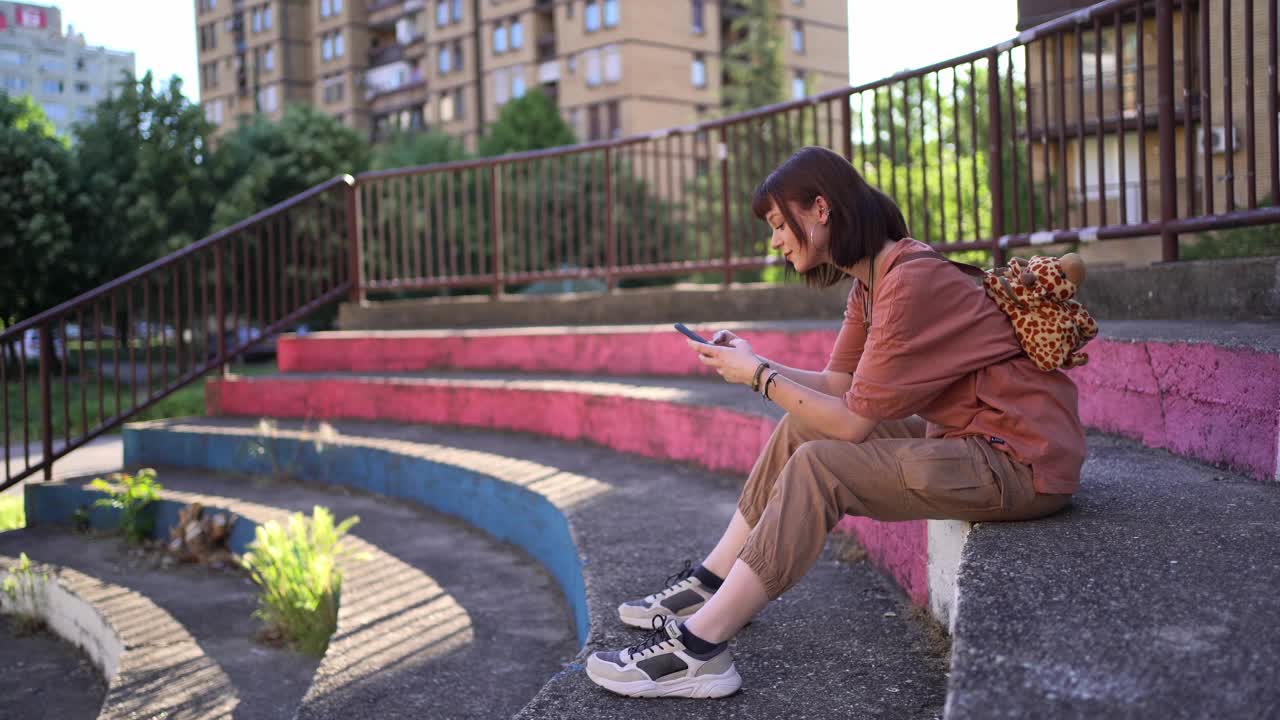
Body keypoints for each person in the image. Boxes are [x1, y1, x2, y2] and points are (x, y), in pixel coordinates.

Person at [584, 146, 1084, 699]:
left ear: (820, 209)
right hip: (968, 443)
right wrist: (757, 362)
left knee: (821, 465)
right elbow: (835, 386)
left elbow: (849, 426)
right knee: (803, 430)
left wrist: (756, 378)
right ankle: (715, 582)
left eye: (779, 223)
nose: (775, 240)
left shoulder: (909, 281)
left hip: (1016, 463)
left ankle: (698, 652)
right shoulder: (873, 278)